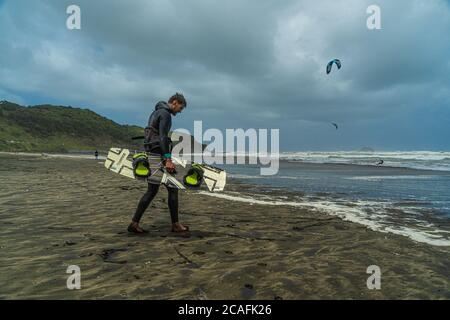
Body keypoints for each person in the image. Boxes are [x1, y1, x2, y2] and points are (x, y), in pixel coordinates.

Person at [128, 93, 189, 234]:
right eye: (180, 107)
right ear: (174, 102)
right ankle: (175, 224)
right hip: (158, 154)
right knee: (173, 188)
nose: (179, 111)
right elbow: (162, 136)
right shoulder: (165, 114)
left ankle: (134, 223)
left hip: (151, 153)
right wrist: (167, 158)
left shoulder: (155, 113)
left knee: (152, 190)